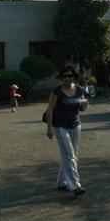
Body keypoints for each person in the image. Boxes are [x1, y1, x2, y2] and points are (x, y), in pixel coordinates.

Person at [45, 66, 88, 196]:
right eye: (65, 76)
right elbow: (50, 109)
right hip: (60, 126)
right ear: (62, 77)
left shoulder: (79, 90)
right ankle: (75, 185)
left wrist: (84, 106)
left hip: (75, 125)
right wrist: (49, 127)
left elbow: (81, 108)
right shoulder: (57, 91)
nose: (67, 78)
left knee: (72, 155)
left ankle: (61, 182)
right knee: (69, 155)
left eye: (70, 76)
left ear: (74, 76)